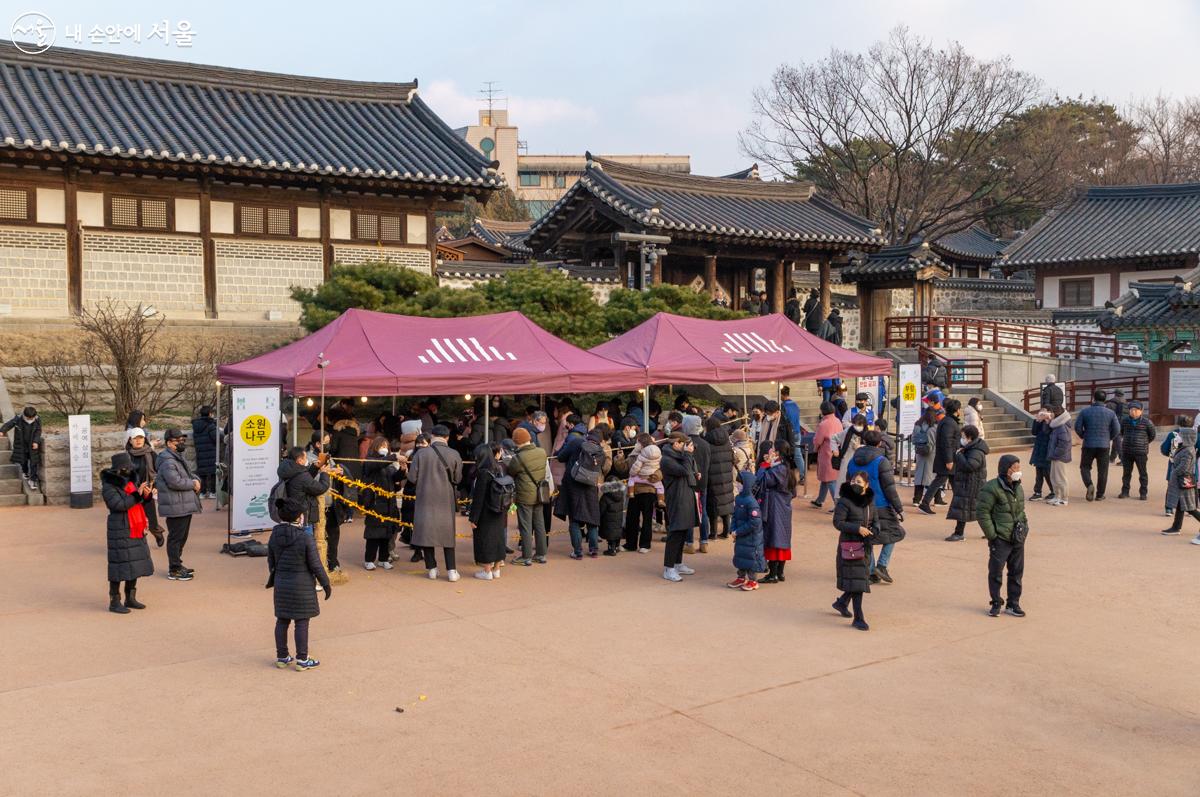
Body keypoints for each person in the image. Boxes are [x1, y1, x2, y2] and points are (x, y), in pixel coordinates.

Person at [266, 497, 331, 670]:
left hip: (281, 584)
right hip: (302, 585)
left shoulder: (274, 534)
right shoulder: (305, 537)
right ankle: (302, 659)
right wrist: (325, 584)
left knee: (282, 620)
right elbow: (316, 565)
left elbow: (270, 562)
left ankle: (282, 657)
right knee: (302, 622)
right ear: (298, 517)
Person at [846, 429, 905, 583]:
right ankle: (882, 565)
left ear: (864, 442)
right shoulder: (881, 461)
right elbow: (889, 488)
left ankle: (872, 571)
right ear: (879, 443)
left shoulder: (853, 461)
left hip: (859, 504)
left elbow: (848, 484)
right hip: (881, 504)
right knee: (895, 532)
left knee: (867, 537)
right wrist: (899, 508)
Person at [408, 424, 463, 581]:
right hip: (446, 499)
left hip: (425, 498)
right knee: (447, 534)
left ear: (432, 436)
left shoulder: (421, 454)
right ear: (447, 437)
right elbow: (458, 479)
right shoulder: (454, 454)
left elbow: (412, 478)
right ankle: (452, 570)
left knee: (427, 532)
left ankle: (432, 568)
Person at [101, 452, 155, 613]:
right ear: (118, 470)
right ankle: (114, 601)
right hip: (120, 528)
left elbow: (138, 501)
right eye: (126, 468)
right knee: (119, 567)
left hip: (135, 526)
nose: (129, 470)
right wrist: (137, 494)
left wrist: (146, 495)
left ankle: (130, 598)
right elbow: (118, 505)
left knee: (135, 564)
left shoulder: (132, 481)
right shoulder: (109, 486)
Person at [976, 454, 1028, 617]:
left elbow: (1021, 510)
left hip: (1017, 537)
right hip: (1000, 539)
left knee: (1016, 572)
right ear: (1006, 469)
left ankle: (1013, 603)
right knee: (996, 572)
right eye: (1015, 468)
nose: (1018, 471)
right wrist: (993, 535)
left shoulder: (1018, 487)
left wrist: (1025, 528)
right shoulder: (991, 488)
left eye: (1019, 467)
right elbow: (982, 513)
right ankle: (996, 602)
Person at [155, 428, 201, 581]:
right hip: (175, 505)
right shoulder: (168, 461)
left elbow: (187, 475)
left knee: (181, 537)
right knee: (176, 537)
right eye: (178, 441)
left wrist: (196, 480)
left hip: (182, 504)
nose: (181, 443)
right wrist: (192, 483)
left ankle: (177, 564)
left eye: (182, 440)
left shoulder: (176, 457)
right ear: (169, 443)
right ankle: (174, 568)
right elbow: (175, 482)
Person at [831, 469, 874, 630]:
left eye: (859, 482)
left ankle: (842, 602)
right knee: (858, 581)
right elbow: (838, 523)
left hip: (865, 546)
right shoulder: (844, 501)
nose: (855, 485)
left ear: (866, 485)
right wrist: (857, 528)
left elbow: (875, 520)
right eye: (853, 481)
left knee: (858, 579)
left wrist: (873, 530)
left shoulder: (870, 502)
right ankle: (858, 617)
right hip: (849, 546)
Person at [556, 422, 604, 559]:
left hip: (573, 485)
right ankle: (594, 549)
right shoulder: (600, 451)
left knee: (574, 519)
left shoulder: (576, 442)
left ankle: (577, 552)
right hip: (590, 486)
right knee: (592, 519)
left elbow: (561, 457)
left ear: (587, 435)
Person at [660, 432, 698, 582]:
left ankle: (678, 563)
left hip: (685, 496)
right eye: (684, 443)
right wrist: (688, 455)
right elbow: (684, 471)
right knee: (675, 532)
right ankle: (668, 568)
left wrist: (696, 473)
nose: (686, 446)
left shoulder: (679, 456)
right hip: (676, 498)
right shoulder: (667, 460)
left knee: (683, 531)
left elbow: (689, 470)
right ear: (676, 444)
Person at [508, 427, 550, 566]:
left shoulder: (518, 457)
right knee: (539, 524)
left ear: (516, 442)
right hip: (540, 493)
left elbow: (511, 471)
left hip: (525, 494)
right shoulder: (542, 452)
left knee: (525, 526)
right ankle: (541, 554)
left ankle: (526, 556)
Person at [756, 441, 796, 584]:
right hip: (784, 506)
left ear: (777, 452)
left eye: (773, 449)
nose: (771, 451)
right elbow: (794, 492)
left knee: (773, 538)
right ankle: (780, 572)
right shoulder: (786, 468)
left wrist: (764, 465)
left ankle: (772, 574)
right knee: (783, 538)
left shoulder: (777, 469)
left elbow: (761, 480)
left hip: (774, 506)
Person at [360, 436, 402, 571]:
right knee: (373, 534)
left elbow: (394, 477)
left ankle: (383, 559)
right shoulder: (370, 460)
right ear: (375, 447)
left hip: (389, 502)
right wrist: (393, 458)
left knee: (387, 533)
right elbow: (376, 464)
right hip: (375, 501)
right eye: (382, 445)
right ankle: (369, 560)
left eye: (386, 446)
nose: (385, 448)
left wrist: (402, 470)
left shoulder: (388, 464)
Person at [469, 442, 510, 579]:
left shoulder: (483, 473)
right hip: (499, 509)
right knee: (498, 539)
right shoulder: (498, 468)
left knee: (485, 539)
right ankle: (497, 569)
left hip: (485, 512)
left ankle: (487, 571)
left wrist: (473, 518)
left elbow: (478, 498)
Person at [1074, 389, 1121, 502]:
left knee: (1085, 467)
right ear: (1105, 400)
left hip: (1088, 444)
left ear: (1093, 399)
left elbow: (1077, 427)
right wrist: (1109, 437)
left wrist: (1083, 435)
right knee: (1103, 470)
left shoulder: (1085, 411)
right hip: (1104, 445)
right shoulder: (1110, 413)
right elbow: (1117, 429)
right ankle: (1100, 494)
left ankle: (1089, 484)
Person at [918, 398, 962, 515]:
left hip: (949, 457)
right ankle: (925, 503)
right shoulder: (949, 423)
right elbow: (946, 442)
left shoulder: (947, 421)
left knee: (954, 481)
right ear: (957, 410)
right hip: (948, 458)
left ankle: (959, 504)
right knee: (940, 480)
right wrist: (949, 460)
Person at [946, 425, 989, 542]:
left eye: (964, 436)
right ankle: (990, 531)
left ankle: (959, 533)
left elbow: (970, 466)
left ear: (969, 437)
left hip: (971, 485)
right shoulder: (971, 448)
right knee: (975, 509)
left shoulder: (976, 451)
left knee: (966, 509)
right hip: (969, 484)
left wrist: (959, 455)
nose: (962, 438)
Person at [124, 427, 164, 546]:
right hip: (133, 492)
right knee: (136, 520)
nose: (138, 440)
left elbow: (160, 470)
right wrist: (136, 489)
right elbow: (124, 476)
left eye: (141, 438)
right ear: (130, 440)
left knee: (151, 521)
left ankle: (157, 533)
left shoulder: (150, 453)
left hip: (148, 491)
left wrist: (155, 485)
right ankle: (139, 541)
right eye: (135, 438)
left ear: (144, 439)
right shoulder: (126, 456)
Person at [727, 470, 765, 591]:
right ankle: (741, 577)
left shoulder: (751, 502)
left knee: (751, 558)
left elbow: (754, 522)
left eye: (740, 484)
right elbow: (734, 516)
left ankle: (753, 580)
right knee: (740, 555)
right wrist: (732, 529)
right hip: (740, 535)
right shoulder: (738, 499)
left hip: (751, 538)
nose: (738, 486)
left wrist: (738, 531)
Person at [1161, 424, 1200, 537]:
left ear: (1186, 437)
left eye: (1181, 435)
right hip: (1181, 481)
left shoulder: (1188, 450)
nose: (1178, 436)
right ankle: (1176, 527)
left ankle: (1176, 527)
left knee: (1190, 508)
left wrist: (1173, 472)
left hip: (1184, 482)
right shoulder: (1183, 447)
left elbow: (1184, 467)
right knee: (1180, 505)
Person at [681, 414, 711, 554]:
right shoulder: (706, 444)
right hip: (703, 481)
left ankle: (689, 543)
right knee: (702, 511)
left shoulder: (685, 443)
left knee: (688, 513)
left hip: (688, 482)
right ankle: (704, 541)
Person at [704, 415, 735, 541]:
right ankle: (726, 531)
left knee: (713, 505)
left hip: (712, 476)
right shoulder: (727, 439)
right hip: (726, 475)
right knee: (726, 503)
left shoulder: (707, 441)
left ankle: (713, 533)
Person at [1117, 401, 1155, 500]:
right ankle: (1125, 492)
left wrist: (1143, 443)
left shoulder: (1147, 422)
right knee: (1126, 473)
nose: (1133, 412)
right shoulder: (1124, 421)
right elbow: (1120, 432)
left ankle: (1143, 493)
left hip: (1140, 452)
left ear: (1141, 411)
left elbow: (1152, 435)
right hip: (1127, 451)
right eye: (1131, 410)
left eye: (1136, 410)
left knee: (1142, 473)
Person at [1, 405, 42, 491]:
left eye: (32, 418)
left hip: (32, 444)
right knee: (23, 460)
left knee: (33, 462)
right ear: (25, 415)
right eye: (29, 418)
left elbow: (38, 431)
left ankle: (32, 480)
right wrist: (2, 431)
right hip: (21, 444)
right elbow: (9, 424)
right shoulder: (18, 418)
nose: (31, 419)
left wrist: (36, 441)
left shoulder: (37, 420)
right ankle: (25, 471)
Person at [810, 402, 842, 508]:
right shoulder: (838, 421)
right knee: (827, 478)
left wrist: (815, 448)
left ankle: (838, 504)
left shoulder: (824, 424)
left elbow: (818, 440)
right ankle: (820, 500)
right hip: (836, 451)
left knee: (830, 480)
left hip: (826, 453)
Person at [911, 406, 938, 507]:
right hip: (932, 454)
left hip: (919, 452)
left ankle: (916, 499)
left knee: (919, 476)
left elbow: (913, 439)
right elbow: (935, 441)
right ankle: (936, 498)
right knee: (931, 476)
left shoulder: (917, 425)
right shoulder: (934, 427)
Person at [1046, 408, 1073, 506]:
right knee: (1053, 477)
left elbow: (1064, 443)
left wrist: (1056, 454)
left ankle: (1064, 498)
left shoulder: (1061, 427)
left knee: (1060, 478)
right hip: (1055, 456)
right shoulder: (1056, 425)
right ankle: (1057, 496)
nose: (1050, 414)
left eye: (1052, 412)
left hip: (1059, 457)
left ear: (1057, 414)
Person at [191, 405, 218, 499]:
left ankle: (202, 492)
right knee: (213, 472)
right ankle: (212, 492)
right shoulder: (211, 425)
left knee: (202, 473)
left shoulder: (196, 425)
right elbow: (216, 438)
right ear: (210, 414)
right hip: (211, 452)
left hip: (200, 451)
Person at [1028, 409, 1053, 501]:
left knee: (1047, 473)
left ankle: (1053, 491)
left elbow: (1047, 432)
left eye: (1044, 413)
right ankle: (1037, 492)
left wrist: (1047, 421)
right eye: (1041, 413)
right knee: (1038, 473)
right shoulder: (1039, 421)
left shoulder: (1052, 422)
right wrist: (1037, 421)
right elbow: (1034, 432)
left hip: (1047, 450)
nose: (1043, 415)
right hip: (1039, 449)